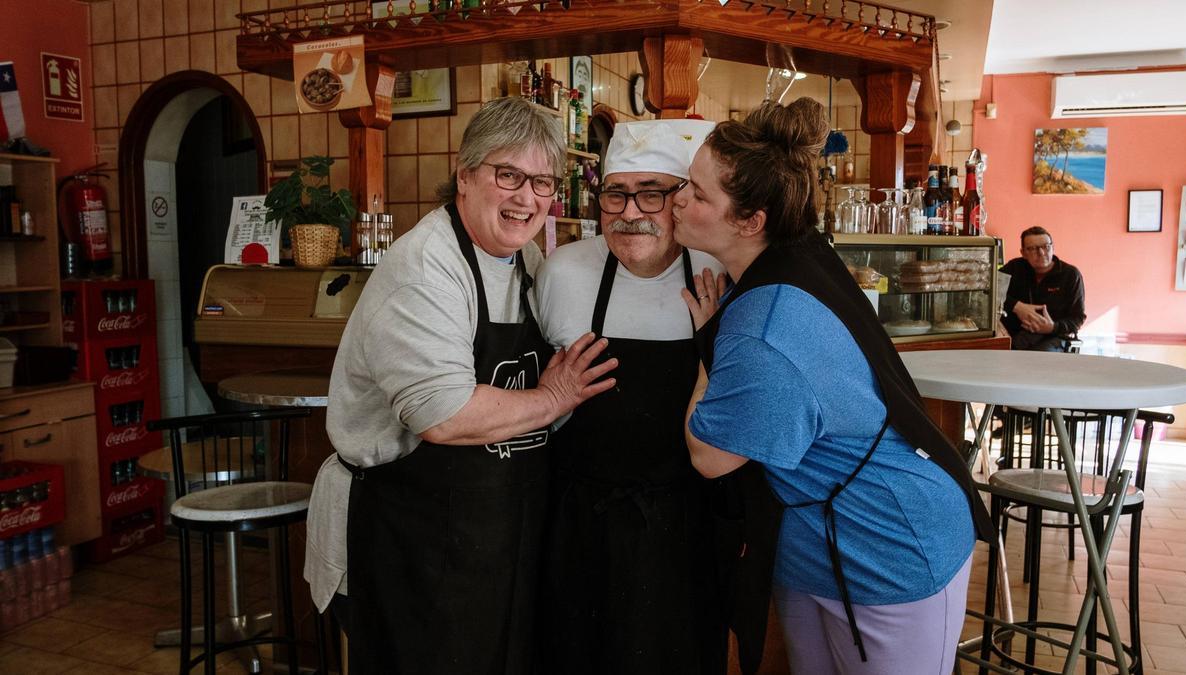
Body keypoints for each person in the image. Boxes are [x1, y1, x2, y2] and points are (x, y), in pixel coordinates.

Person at [673, 98, 995, 675]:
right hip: (813, 549)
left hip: (892, 548)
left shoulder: (763, 329)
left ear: (751, 221)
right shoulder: (798, 253)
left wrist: (710, 338)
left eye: (697, 195)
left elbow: (709, 455)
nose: (677, 201)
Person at [304, 96, 618, 674]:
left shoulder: (524, 260)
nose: (526, 198)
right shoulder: (426, 268)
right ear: (465, 175)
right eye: (508, 175)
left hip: (486, 537)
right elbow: (442, 414)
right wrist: (552, 398)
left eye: (542, 182)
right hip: (405, 539)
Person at [535, 119, 727, 674]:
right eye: (615, 194)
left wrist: (713, 340)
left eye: (651, 193)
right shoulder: (563, 273)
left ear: (683, 202)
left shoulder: (716, 271)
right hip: (579, 524)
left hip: (684, 526)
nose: (629, 211)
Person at [1000, 226, 1086, 352]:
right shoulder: (1014, 268)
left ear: (1053, 247)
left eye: (1046, 246)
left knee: (1039, 360)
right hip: (1015, 335)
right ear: (1023, 252)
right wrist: (1017, 306)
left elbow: (1077, 318)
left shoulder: (1071, 275)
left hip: (1053, 337)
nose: (1041, 253)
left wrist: (1052, 327)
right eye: (1033, 248)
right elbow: (988, 290)